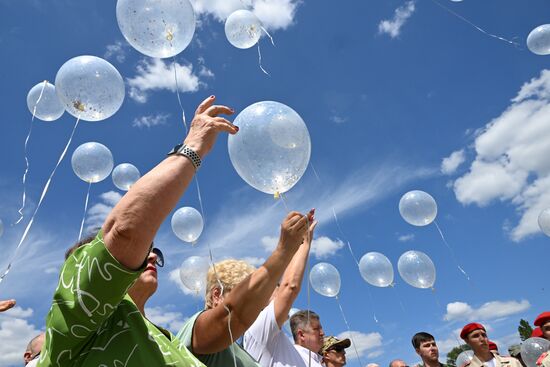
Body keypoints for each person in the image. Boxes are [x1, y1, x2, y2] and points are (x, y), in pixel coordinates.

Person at [35, 95, 242, 366]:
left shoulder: (170, 341)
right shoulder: (81, 322)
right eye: (146, 249)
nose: (153, 256)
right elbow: (124, 232)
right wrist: (193, 147)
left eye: (154, 251)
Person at [176, 209, 315, 367]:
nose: (256, 311)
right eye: (246, 298)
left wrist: (302, 244)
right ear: (217, 295)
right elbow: (236, 312)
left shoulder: (239, 351)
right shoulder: (197, 330)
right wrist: (284, 250)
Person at [242, 211, 317, 367]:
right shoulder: (258, 328)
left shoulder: (282, 343)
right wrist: (304, 243)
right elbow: (289, 287)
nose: (278, 290)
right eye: (274, 288)